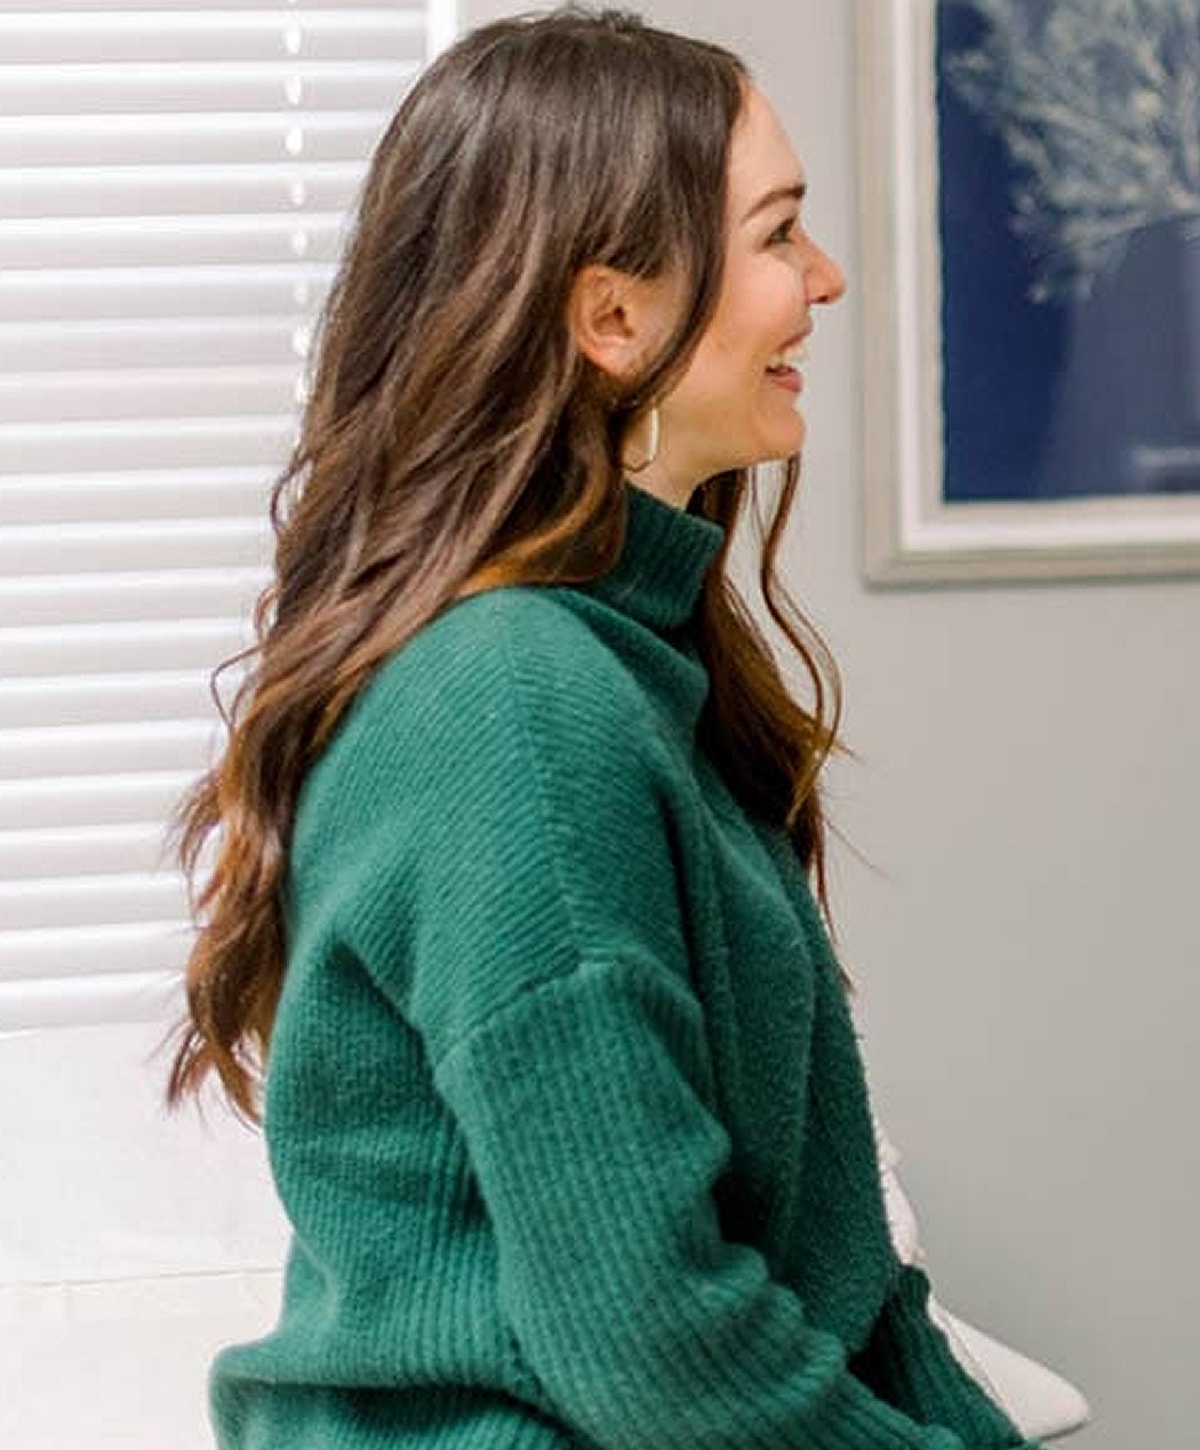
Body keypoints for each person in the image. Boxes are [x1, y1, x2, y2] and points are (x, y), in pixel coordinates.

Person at [166, 9, 1051, 1448]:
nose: (822, 282)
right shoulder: (518, 705)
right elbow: (661, 1347)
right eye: (778, 235)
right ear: (612, 317)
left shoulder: (611, 648)